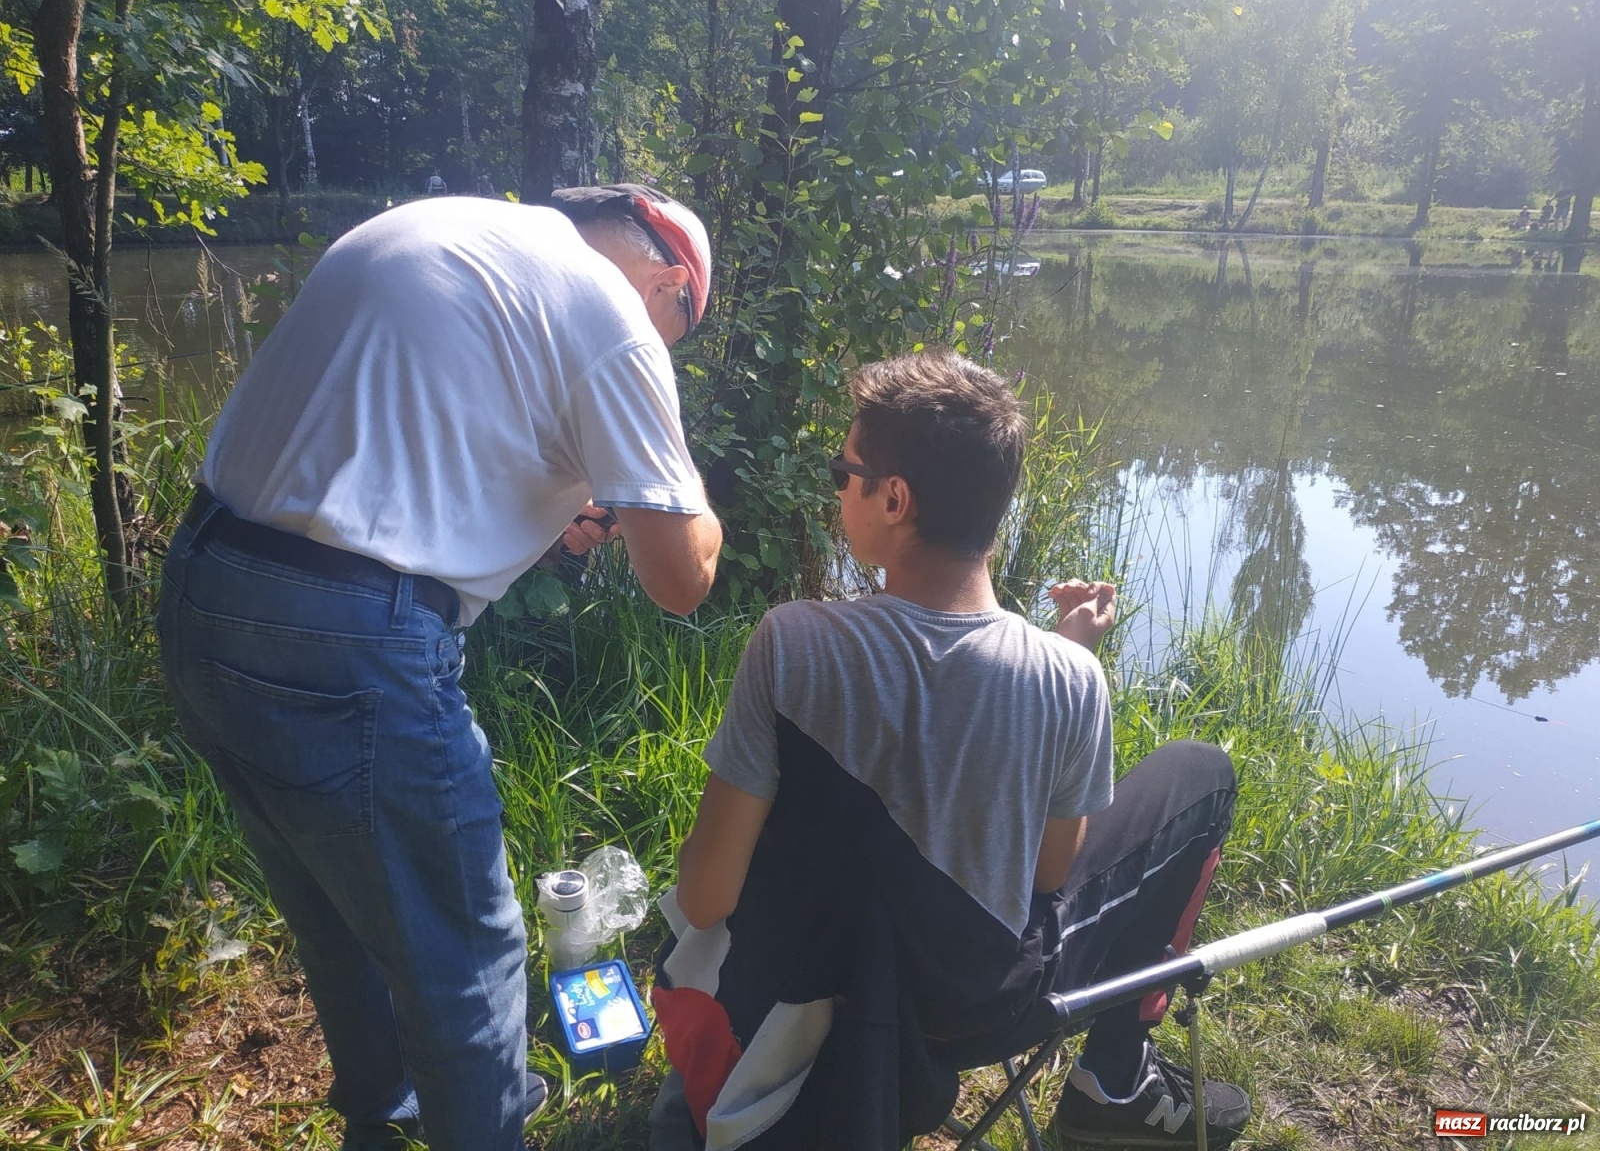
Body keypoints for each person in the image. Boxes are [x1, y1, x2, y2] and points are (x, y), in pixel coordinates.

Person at [157, 186, 724, 1151]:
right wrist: (671, 482)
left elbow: (398, 457)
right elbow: (683, 579)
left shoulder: (447, 227)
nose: (667, 349)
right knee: (471, 958)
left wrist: (563, 500)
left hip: (204, 587)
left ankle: (388, 1117)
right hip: (348, 643)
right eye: (683, 329)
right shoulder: (613, 316)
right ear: (669, 283)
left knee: (338, 912)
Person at [648, 352, 1249, 1151]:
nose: (836, 486)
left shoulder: (790, 643)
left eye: (843, 469)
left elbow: (704, 901)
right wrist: (1070, 659)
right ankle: (1115, 1077)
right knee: (1202, 773)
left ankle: (1118, 1080)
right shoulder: (1069, 679)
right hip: (963, 1015)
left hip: (807, 991)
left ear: (894, 499)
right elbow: (1047, 876)